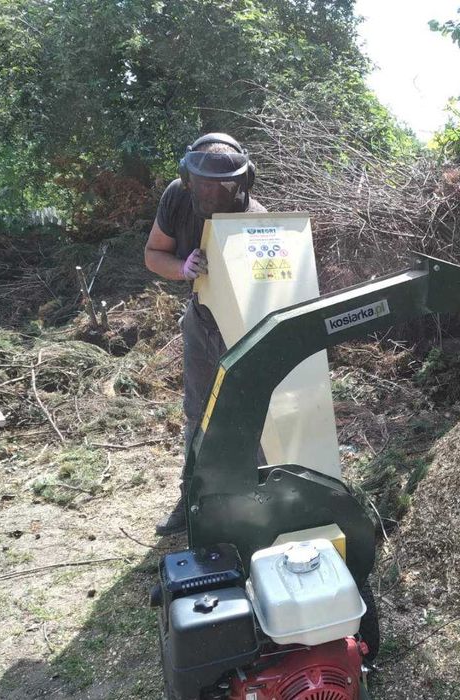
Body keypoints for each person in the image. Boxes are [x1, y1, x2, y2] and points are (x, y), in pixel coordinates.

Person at [144, 133, 266, 535]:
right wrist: (182, 268)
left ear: (243, 180)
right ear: (188, 178)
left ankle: (262, 498)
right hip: (200, 319)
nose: (214, 193)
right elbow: (153, 254)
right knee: (199, 412)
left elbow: (273, 282)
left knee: (254, 412)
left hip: (247, 324)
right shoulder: (176, 198)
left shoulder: (256, 217)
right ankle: (192, 499)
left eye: (225, 185)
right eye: (205, 184)